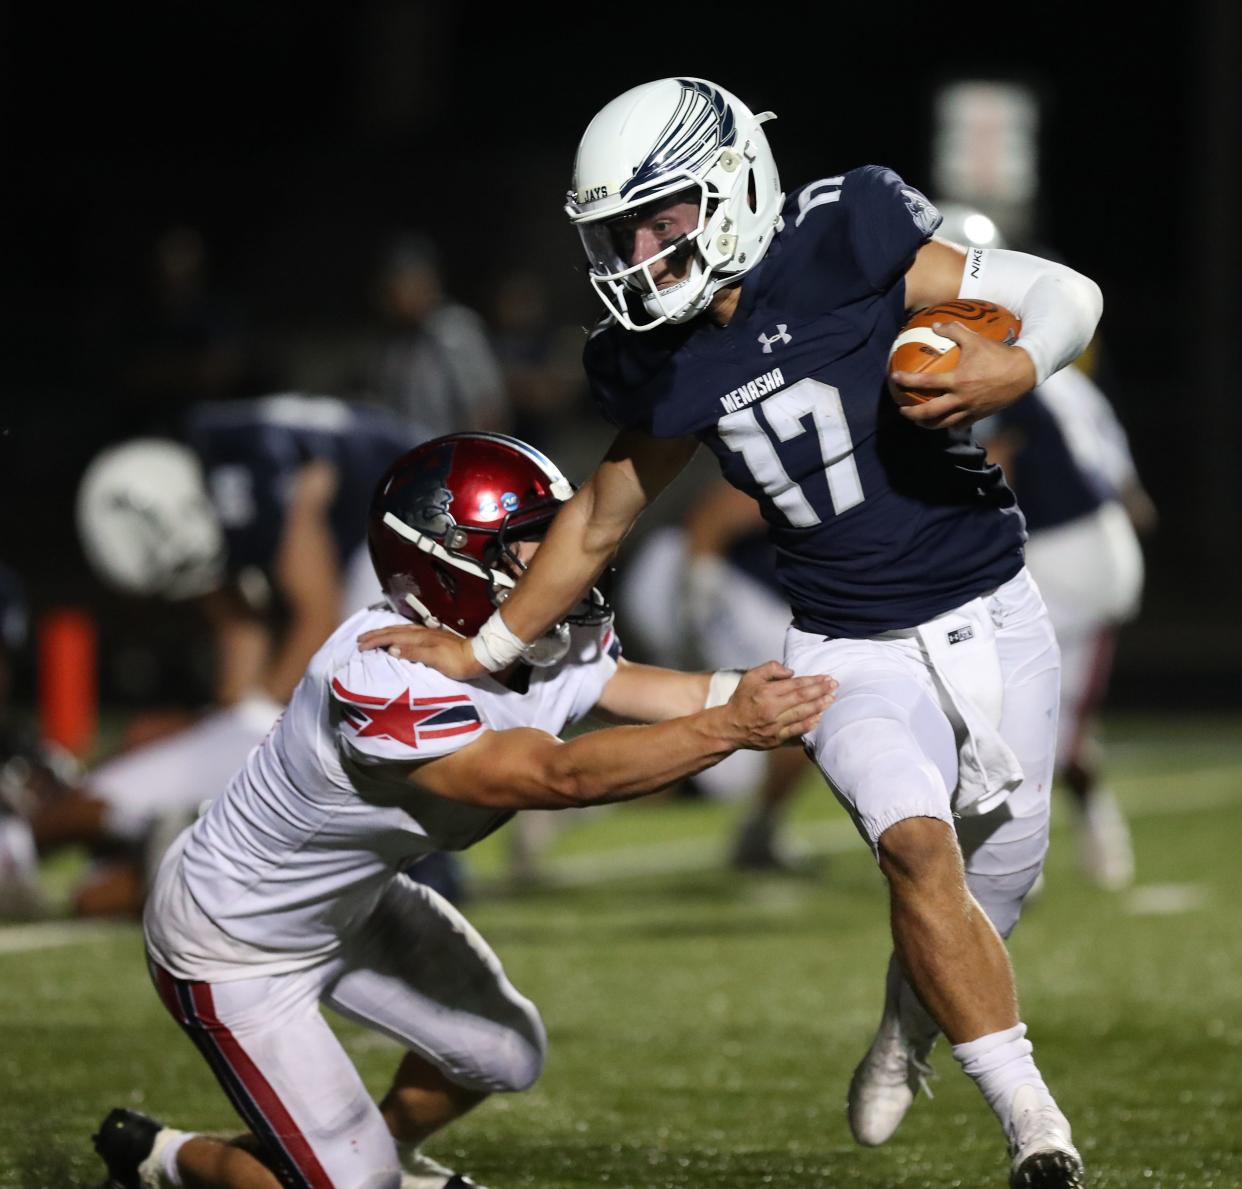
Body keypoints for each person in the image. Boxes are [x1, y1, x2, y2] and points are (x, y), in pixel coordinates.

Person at [359, 78, 1105, 1187]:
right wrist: (484, 651)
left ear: (733, 184)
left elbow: (1068, 292)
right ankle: (1037, 1128)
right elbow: (600, 516)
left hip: (992, 605)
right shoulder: (658, 355)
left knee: (1001, 885)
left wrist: (1018, 361)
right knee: (914, 846)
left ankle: (907, 1027)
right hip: (844, 640)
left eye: (663, 220)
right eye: (621, 233)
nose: (640, 253)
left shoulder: (844, 236)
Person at [90, 431, 835, 1189]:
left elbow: (641, 687)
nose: (558, 558)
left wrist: (776, 692)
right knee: (353, 1184)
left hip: (353, 902)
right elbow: (559, 776)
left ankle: (362, 1161)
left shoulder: (533, 636)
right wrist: (731, 726)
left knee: (504, 1052)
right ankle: (167, 1159)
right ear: (446, 561)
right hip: (234, 939)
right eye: (528, 544)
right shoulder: (378, 675)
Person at [26, 394, 419, 916]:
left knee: (100, 871)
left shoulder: (249, 461)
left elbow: (317, 624)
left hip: (411, 577)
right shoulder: (219, 467)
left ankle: (177, 838)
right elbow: (245, 641)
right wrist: (224, 717)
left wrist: (235, 724)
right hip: (404, 591)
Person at [938, 202, 1153, 889]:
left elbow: (990, 460)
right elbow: (1127, 487)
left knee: (1002, 712)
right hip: (1093, 542)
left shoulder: (994, 351)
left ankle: (997, 862)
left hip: (1064, 553)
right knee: (1018, 712)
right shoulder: (1058, 354)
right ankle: (1083, 832)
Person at [617, 479, 809, 870]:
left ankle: (566, 799)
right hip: (689, 570)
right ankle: (761, 831)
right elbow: (715, 515)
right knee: (807, 692)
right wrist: (699, 582)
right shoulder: (831, 457)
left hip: (722, 589)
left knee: (723, 762)